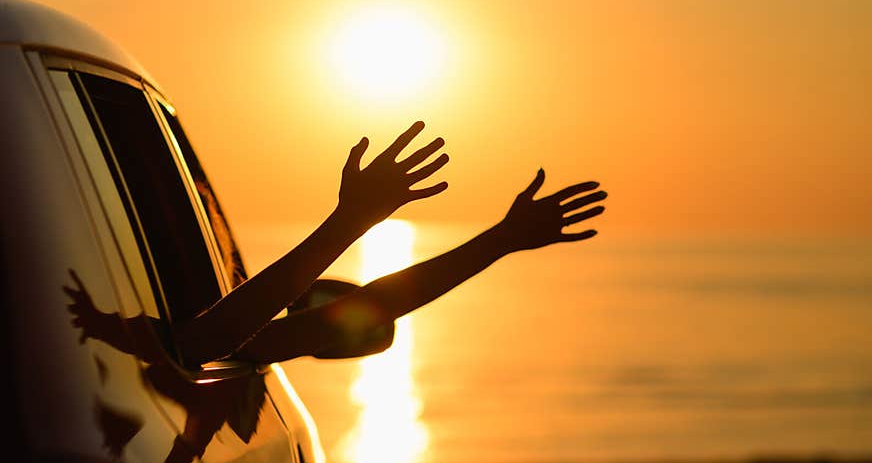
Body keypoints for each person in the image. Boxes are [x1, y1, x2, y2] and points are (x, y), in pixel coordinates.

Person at [170, 120, 607, 366]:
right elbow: (221, 335)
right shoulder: (170, 349)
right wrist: (350, 221)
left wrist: (502, 239)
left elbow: (363, 309)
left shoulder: (121, 342)